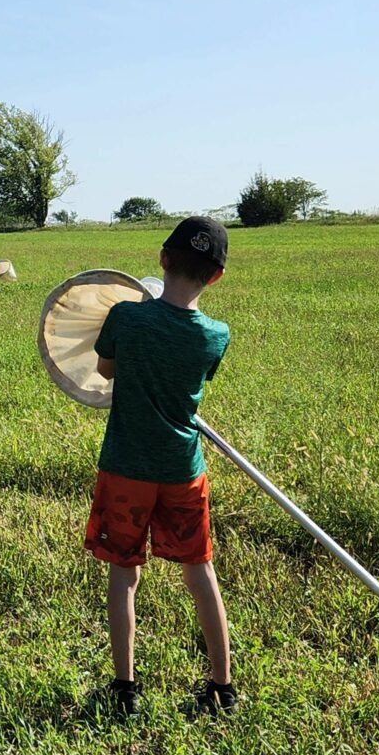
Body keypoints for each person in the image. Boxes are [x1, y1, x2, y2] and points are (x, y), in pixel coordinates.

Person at [87, 216, 234, 717]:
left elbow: (106, 371)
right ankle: (221, 686)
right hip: (182, 470)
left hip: (126, 468)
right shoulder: (216, 335)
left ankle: (125, 689)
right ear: (215, 277)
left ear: (162, 258)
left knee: (124, 575)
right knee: (200, 571)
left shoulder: (127, 318)